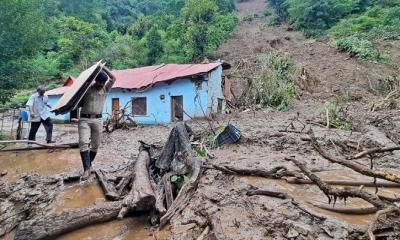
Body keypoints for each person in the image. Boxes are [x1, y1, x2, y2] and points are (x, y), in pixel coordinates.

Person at [78, 66, 116, 180]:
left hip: (98, 120)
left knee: (95, 145)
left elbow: (113, 78)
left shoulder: (105, 89)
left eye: (103, 82)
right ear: (95, 80)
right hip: (84, 119)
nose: (101, 84)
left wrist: (103, 67)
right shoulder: (86, 88)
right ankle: (86, 170)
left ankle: (88, 166)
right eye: (99, 82)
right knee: (83, 142)